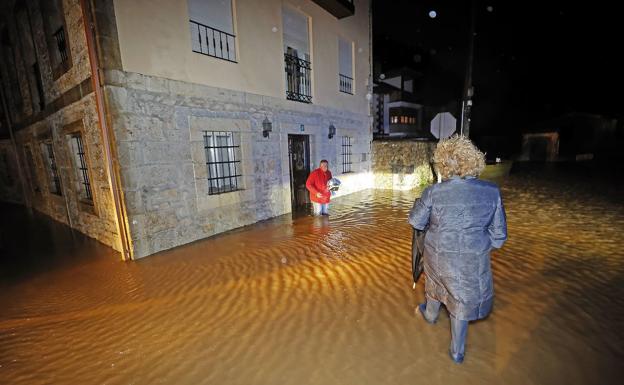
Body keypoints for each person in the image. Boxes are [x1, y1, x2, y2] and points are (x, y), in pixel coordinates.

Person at [408, 135, 507, 364]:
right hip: (474, 261)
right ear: (474, 161)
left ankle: (430, 315)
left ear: (444, 164)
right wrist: (477, 248)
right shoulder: (492, 192)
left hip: (437, 255)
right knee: (461, 299)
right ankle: (457, 352)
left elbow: (416, 221)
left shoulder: (433, 192)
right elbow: (499, 237)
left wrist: (419, 206)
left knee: (435, 285)